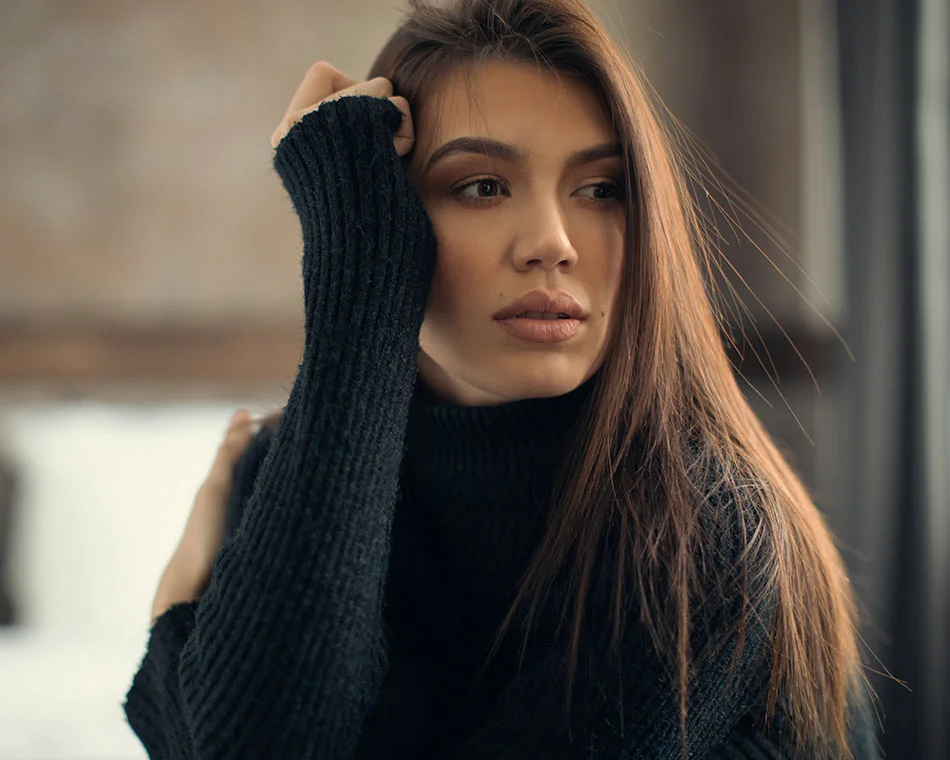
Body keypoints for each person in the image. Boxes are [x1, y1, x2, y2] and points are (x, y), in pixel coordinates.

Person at [123, 0, 883, 757]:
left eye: (601, 189)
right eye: (481, 187)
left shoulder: (708, 529)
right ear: (387, 213)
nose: (551, 244)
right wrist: (356, 276)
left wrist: (171, 663)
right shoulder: (286, 477)